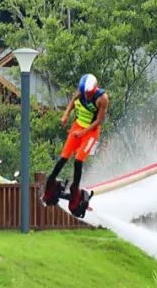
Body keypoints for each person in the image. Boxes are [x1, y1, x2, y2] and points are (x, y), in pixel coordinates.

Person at [42, 73, 108, 212]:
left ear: (94, 89)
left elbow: (99, 121)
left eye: (89, 94)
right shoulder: (80, 91)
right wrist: (66, 114)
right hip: (77, 127)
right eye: (85, 93)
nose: (87, 96)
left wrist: (83, 133)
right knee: (63, 157)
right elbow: (73, 101)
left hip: (90, 132)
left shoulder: (102, 99)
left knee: (78, 160)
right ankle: (51, 182)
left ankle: (75, 189)